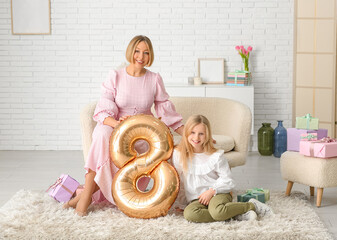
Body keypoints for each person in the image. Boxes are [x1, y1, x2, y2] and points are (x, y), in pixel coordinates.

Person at [64, 35, 184, 216]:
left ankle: (82, 198)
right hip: (115, 126)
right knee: (103, 134)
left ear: (150, 55)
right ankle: (87, 197)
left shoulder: (154, 79)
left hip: (142, 134)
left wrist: (188, 132)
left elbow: (165, 110)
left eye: (146, 52)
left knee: (141, 147)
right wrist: (117, 124)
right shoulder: (116, 75)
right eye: (137, 51)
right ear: (131, 51)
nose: (141, 56)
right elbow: (103, 107)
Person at [170, 115, 273, 223]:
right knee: (190, 214)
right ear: (186, 133)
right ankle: (235, 214)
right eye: (192, 132)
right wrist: (180, 203)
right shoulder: (178, 154)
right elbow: (179, 181)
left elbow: (228, 180)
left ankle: (251, 205)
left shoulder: (215, 156)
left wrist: (212, 191)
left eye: (201, 134)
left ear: (207, 135)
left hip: (218, 193)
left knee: (217, 212)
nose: (196, 138)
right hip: (197, 199)